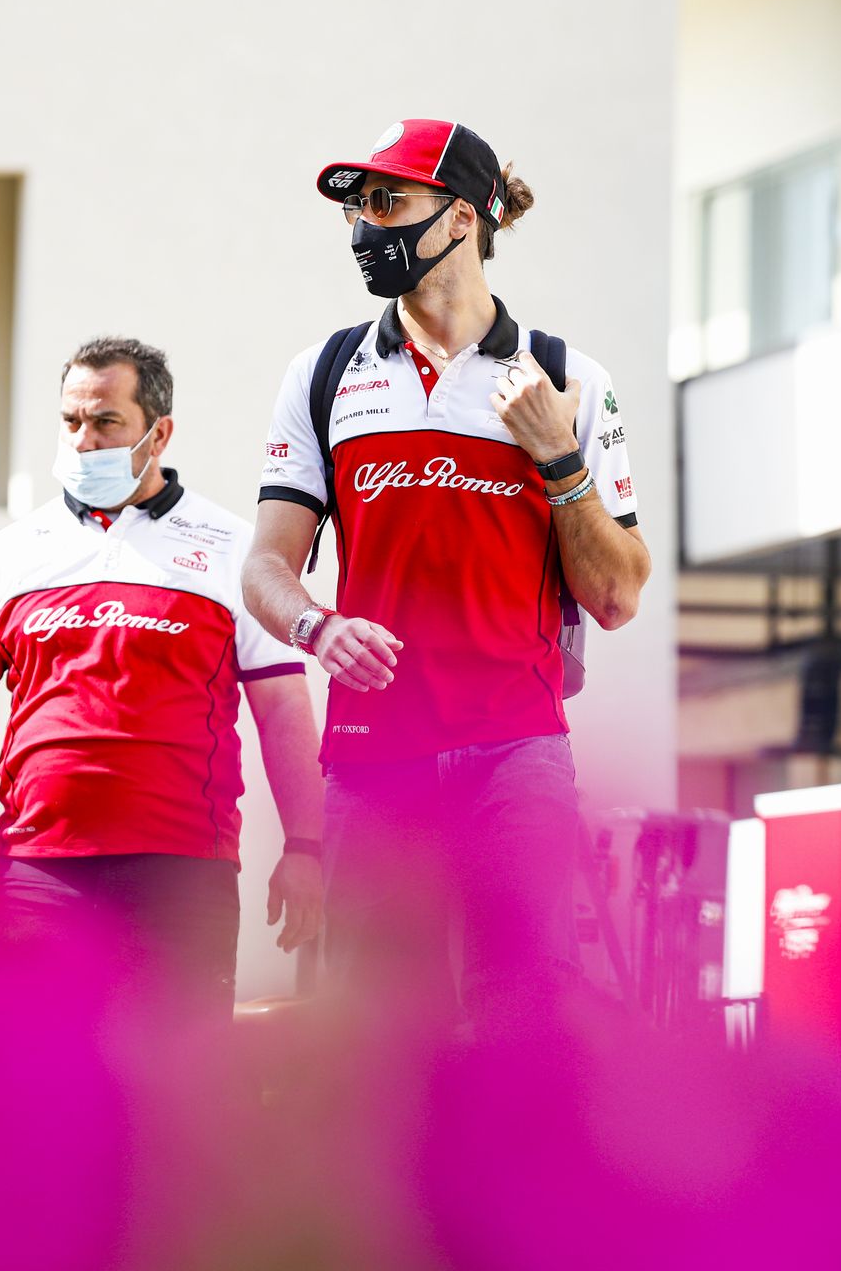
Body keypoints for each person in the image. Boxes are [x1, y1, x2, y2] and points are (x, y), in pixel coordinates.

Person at [242, 119, 651, 1027]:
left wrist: (558, 458)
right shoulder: (323, 373)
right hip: (372, 758)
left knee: (527, 1024)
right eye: (356, 209)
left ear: (463, 217)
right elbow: (266, 567)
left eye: (388, 203)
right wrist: (316, 627)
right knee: (379, 1035)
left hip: (517, 749)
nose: (365, 228)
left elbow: (619, 596)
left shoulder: (566, 377)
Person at [0, 337, 326, 1031]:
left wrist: (305, 847)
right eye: (71, 421)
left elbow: (283, 708)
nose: (83, 440)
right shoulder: (10, 553)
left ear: (159, 433)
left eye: (106, 422)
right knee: (16, 1081)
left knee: (173, 1087)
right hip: (34, 873)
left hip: (181, 876)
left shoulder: (231, 547)